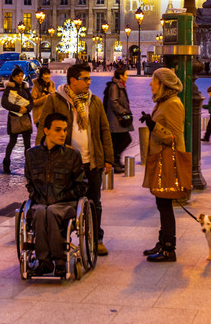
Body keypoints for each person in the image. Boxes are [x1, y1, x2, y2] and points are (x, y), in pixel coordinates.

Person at [37, 63, 114, 256]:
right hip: (64, 164)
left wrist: (109, 159)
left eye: (89, 79)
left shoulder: (94, 102)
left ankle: (97, 238)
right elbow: (42, 129)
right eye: (85, 79)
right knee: (64, 204)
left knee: (95, 202)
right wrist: (44, 154)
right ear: (72, 81)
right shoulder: (55, 100)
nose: (89, 82)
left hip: (91, 161)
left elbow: (104, 130)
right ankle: (61, 240)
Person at [24, 113, 87, 276]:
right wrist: (37, 196)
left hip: (65, 203)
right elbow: (29, 182)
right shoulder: (32, 155)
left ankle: (59, 261)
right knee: (39, 213)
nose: (63, 134)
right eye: (58, 130)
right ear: (46, 131)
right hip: (41, 203)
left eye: (65, 130)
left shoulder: (72, 155)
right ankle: (44, 262)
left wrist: (60, 197)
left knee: (51, 212)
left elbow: (82, 185)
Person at [140, 68, 185, 262]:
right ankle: (163, 241)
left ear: (163, 83)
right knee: (161, 202)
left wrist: (153, 126)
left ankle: (169, 248)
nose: (151, 84)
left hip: (168, 160)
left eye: (154, 81)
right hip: (161, 158)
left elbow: (174, 137)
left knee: (165, 203)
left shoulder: (173, 104)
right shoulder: (164, 102)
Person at [1, 66, 34, 174]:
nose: (20, 78)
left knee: (27, 144)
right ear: (13, 77)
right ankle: (6, 162)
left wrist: (27, 108)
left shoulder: (25, 87)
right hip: (14, 118)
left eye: (21, 76)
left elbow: (31, 101)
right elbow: (4, 103)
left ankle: (28, 167)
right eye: (18, 76)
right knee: (12, 141)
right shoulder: (9, 88)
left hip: (25, 117)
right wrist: (18, 108)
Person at [104, 68, 134, 173]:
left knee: (118, 141)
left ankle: (116, 161)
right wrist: (124, 112)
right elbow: (114, 102)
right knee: (125, 139)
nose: (127, 77)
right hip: (116, 119)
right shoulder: (115, 86)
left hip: (118, 118)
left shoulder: (120, 86)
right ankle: (115, 161)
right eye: (126, 75)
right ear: (120, 76)